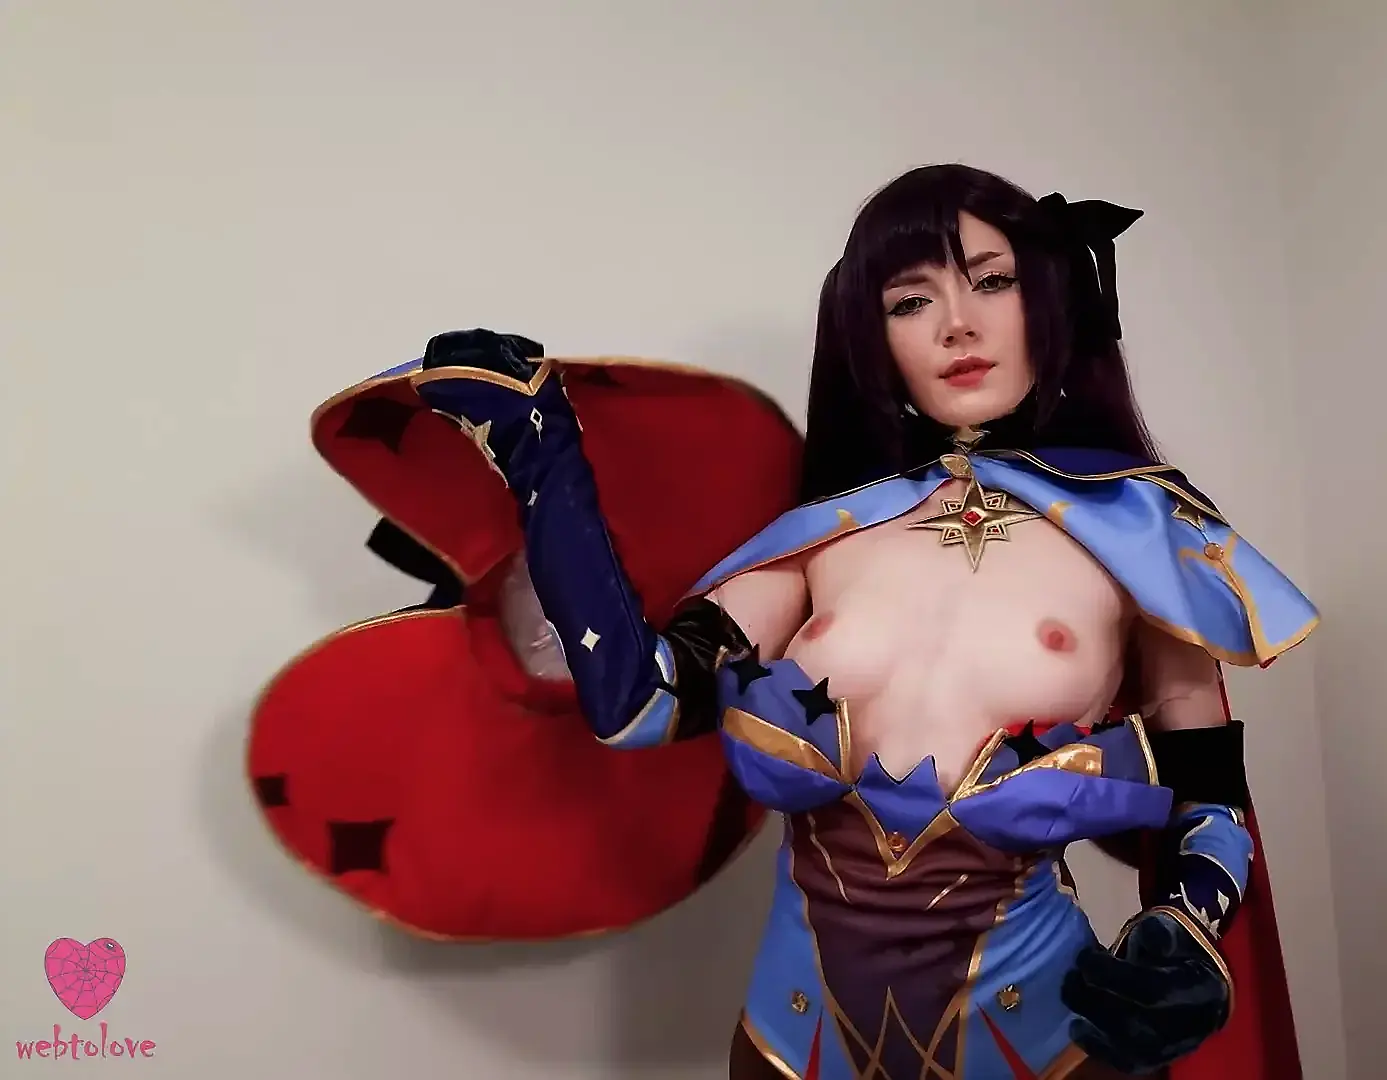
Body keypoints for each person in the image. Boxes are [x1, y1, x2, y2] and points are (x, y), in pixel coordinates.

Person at [256, 163, 1317, 1079]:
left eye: (992, 281)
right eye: (911, 299)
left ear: (1050, 300)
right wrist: (543, 455)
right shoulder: (820, 537)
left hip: (1046, 1041)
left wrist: (1189, 931)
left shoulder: (1145, 531)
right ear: (871, 335)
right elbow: (638, 704)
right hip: (792, 1044)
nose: (956, 323)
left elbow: (1210, 791)